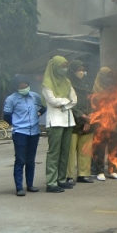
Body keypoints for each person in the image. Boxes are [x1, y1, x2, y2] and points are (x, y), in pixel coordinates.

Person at [3, 75, 46, 197]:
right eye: (21, 86)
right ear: (16, 87)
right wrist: (17, 123)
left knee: (31, 160)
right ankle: (19, 187)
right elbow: (6, 115)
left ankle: (30, 184)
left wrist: (38, 113)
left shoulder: (34, 96)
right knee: (20, 160)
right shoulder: (11, 99)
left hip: (34, 131)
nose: (24, 88)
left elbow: (44, 107)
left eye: (26, 85)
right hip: (20, 132)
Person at [41, 56, 77, 193]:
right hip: (55, 121)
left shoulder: (67, 81)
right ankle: (51, 182)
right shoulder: (47, 83)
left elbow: (74, 99)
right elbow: (52, 101)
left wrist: (65, 103)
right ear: (54, 67)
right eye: (62, 66)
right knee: (54, 153)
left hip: (68, 120)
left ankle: (61, 180)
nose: (64, 69)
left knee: (65, 152)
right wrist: (66, 101)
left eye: (66, 66)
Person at [65, 60, 95, 185]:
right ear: (72, 71)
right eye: (78, 70)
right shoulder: (67, 85)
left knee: (85, 150)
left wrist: (89, 120)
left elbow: (92, 102)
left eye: (83, 70)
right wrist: (82, 116)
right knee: (70, 151)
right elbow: (70, 103)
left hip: (87, 122)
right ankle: (69, 176)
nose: (81, 72)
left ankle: (83, 174)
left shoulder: (87, 84)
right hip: (72, 122)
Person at [92, 67, 117, 181]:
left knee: (113, 147)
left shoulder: (113, 89)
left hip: (113, 122)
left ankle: (112, 170)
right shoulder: (95, 89)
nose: (108, 78)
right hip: (100, 123)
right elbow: (94, 107)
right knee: (100, 147)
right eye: (106, 76)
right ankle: (99, 171)